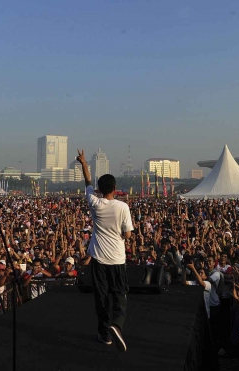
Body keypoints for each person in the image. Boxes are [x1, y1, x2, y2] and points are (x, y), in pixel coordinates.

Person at [77, 148, 134, 353]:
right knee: (119, 294)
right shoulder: (122, 207)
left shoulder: (94, 203)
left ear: (100, 189)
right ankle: (117, 325)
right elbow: (128, 235)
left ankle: (104, 333)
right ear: (115, 188)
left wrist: (84, 163)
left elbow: (87, 182)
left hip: (99, 260)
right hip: (117, 259)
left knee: (101, 297)